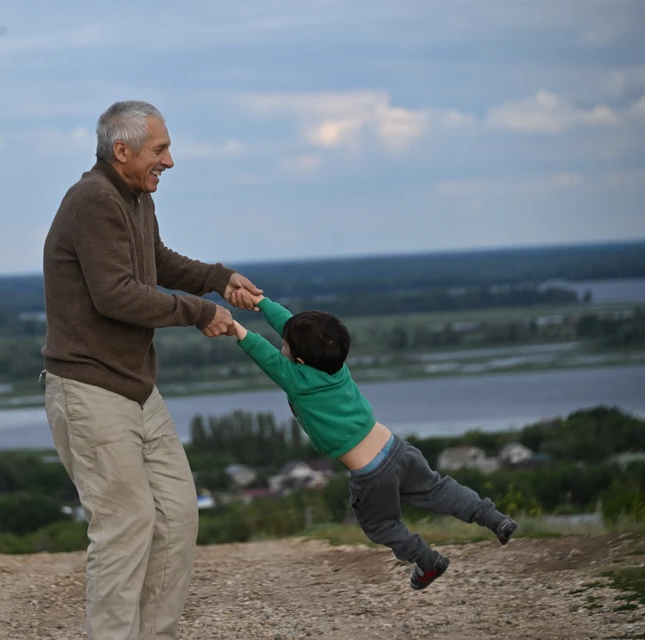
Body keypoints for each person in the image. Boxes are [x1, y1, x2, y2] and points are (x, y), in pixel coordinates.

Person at [40, 100, 262, 639]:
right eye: (160, 150)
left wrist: (218, 277)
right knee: (126, 525)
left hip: (137, 388)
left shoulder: (134, 197)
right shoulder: (93, 200)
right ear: (123, 151)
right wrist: (199, 312)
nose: (170, 161)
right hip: (89, 387)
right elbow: (115, 295)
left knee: (177, 516)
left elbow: (155, 262)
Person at [224, 290, 519, 590]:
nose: (281, 344)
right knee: (438, 489)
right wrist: (260, 303)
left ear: (299, 359)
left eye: (284, 344)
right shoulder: (334, 363)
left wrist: (235, 328)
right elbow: (292, 327)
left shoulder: (298, 381)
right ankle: (495, 519)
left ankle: (427, 560)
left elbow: (263, 353)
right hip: (396, 447)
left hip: (371, 472)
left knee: (381, 525)